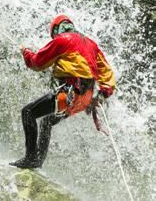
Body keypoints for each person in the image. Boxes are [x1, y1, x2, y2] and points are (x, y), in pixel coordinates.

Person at [10, 14, 115, 169]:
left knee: (28, 112)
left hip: (69, 94)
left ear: (56, 30)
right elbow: (107, 74)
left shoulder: (62, 40)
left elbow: (37, 63)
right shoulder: (92, 45)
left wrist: (26, 52)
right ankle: (37, 161)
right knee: (47, 121)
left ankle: (30, 158)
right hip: (84, 100)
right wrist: (102, 95)